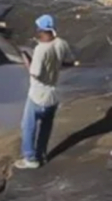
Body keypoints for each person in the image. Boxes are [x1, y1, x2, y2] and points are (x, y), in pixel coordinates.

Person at [14, 14, 76, 169]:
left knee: (28, 126)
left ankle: (30, 159)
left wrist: (26, 61)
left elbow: (35, 73)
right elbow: (69, 62)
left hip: (37, 95)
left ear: (42, 30)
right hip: (53, 95)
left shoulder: (41, 49)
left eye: (38, 28)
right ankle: (42, 155)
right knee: (46, 126)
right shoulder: (62, 43)